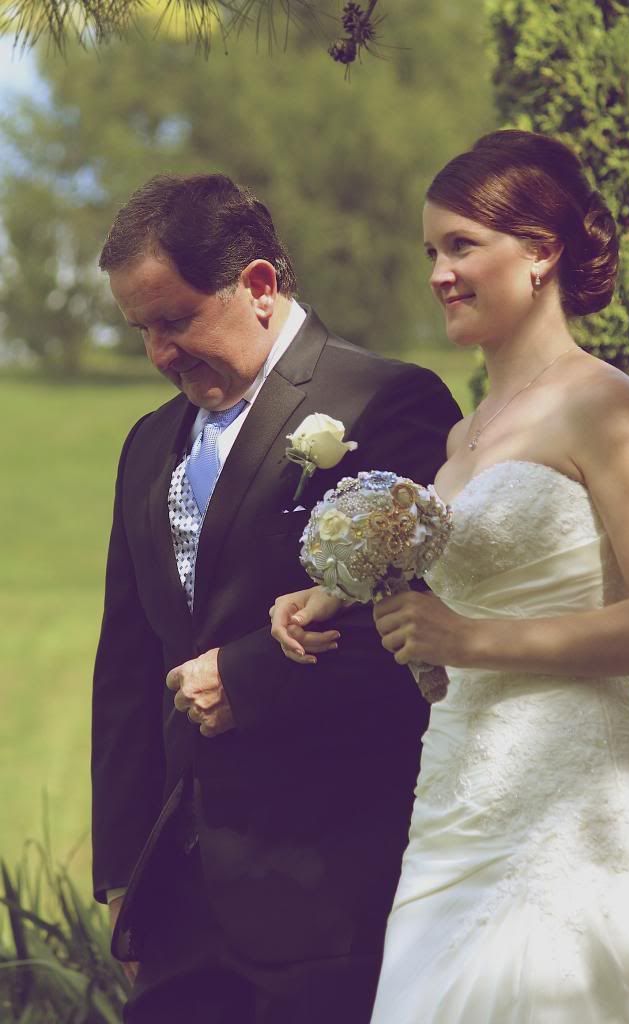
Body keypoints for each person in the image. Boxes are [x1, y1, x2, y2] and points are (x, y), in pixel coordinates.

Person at [270, 130, 629, 1023]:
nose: (439, 273)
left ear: (541, 253)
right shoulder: (466, 434)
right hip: (454, 798)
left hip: (570, 811)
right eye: (431, 251)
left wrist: (472, 640)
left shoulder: (604, 403)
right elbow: (469, 559)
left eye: (461, 245)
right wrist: (333, 586)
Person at [91, 173, 462, 1024]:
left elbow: (426, 626)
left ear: (258, 286)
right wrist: (123, 874)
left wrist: (249, 679)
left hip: (331, 892)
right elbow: (127, 667)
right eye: (142, 330)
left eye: (175, 320)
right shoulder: (147, 444)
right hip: (179, 906)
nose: (159, 354)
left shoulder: (386, 402)